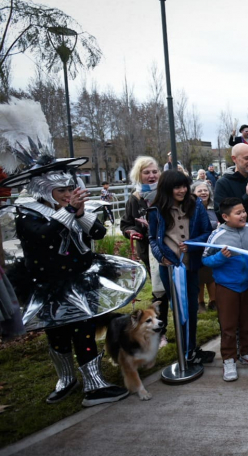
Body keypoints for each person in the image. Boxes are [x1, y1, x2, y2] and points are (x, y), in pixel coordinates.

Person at [2, 155, 143, 406]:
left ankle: (94, 384)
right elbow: (43, 237)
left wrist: (80, 214)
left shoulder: (74, 207)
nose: (67, 193)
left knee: (84, 330)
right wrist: (68, 211)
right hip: (47, 283)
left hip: (81, 279)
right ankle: (66, 379)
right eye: (61, 190)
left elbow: (98, 232)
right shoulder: (27, 213)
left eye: (70, 188)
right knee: (56, 332)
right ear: (45, 190)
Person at [149, 170, 214, 365]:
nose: (182, 190)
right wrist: (161, 256)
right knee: (178, 309)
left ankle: (191, 349)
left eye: (184, 186)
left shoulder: (196, 205)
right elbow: (152, 238)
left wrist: (193, 244)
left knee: (191, 308)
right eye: (177, 187)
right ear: (167, 188)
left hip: (191, 266)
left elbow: (207, 233)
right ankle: (184, 351)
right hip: (169, 269)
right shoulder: (156, 210)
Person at [202, 197, 248, 381]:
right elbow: (205, 259)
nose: (243, 215)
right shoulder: (217, 235)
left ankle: (246, 351)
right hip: (227, 286)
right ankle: (229, 359)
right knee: (228, 325)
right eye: (238, 213)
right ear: (225, 217)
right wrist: (220, 257)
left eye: (243, 211)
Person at [120, 156, 168, 343]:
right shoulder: (135, 198)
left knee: (175, 290)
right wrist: (133, 231)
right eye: (147, 172)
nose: (151, 175)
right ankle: (160, 333)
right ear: (139, 175)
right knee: (160, 292)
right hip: (149, 251)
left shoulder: (166, 194)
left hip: (170, 247)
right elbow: (125, 224)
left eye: (155, 171)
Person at [192, 182, 218, 312]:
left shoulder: (213, 208)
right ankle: (200, 302)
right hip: (198, 246)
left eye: (205, 190)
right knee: (200, 276)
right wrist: (214, 225)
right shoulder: (192, 209)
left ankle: (213, 301)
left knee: (211, 275)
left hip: (213, 246)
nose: (203, 193)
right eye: (199, 191)